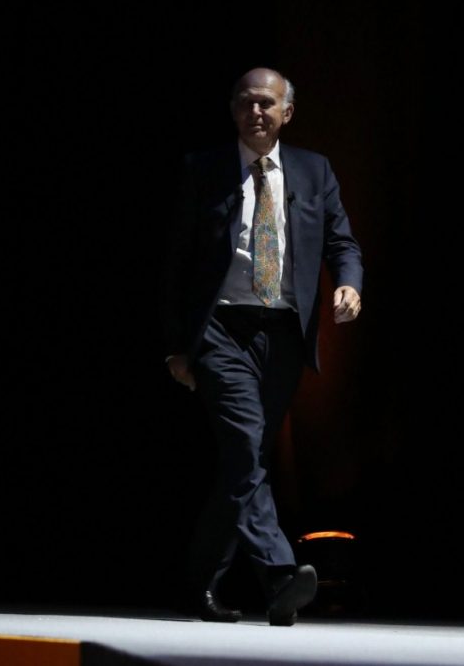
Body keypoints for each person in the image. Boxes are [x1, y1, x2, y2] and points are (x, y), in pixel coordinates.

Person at [162, 67, 363, 626]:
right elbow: (176, 264)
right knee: (246, 444)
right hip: (221, 331)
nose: (257, 112)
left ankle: (198, 583)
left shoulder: (313, 170)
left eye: (267, 105)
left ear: (286, 113)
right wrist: (177, 348)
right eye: (247, 103)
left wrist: (349, 283)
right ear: (233, 110)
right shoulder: (203, 170)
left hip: (281, 335)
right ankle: (280, 572)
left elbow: (342, 241)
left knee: (241, 462)